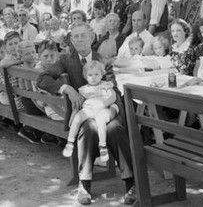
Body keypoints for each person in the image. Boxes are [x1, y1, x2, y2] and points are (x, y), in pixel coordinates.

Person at [37, 23, 136, 205]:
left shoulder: (103, 59)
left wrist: (107, 105)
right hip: (83, 113)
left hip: (106, 108)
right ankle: (84, 184)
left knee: (114, 128)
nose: (80, 40)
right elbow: (42, 79)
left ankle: (131, 183)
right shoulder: (67, 59)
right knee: (88, 127)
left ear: (92, 38)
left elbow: (114, 90)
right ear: (72, 40)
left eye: (83, 35)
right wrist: (66, 88)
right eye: (76, 37)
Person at [62, 60, 118, 164]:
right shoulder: (83, 89)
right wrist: (74, 113)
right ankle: (70, 142)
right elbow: (79, 103)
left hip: (103, 108)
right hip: (89, 109)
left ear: (102, 74)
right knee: (78, 118)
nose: (93, 77)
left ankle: (102, 146)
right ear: (85, 76)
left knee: (100, 120)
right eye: (90, 75)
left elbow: (113, 97)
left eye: (96, 74)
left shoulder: (106, 85)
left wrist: (103, 104)